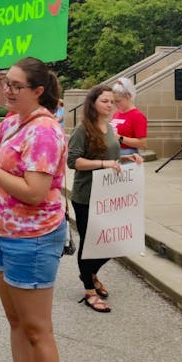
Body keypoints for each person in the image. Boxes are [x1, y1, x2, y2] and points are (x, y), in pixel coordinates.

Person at [0, 57, 67, 362]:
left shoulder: (44, 130)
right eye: (6, 83)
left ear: (38, 90)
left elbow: (35, 191)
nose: (8, 90)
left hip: (31, 239)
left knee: (37, 329)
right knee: (16, 321)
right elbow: (2, 166)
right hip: (1, 235)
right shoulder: (12, 123)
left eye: (16, 85)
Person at [68, 84, 143, 313]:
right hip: (86, 194)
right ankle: (89, 290)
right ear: (93, 103)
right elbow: (73, 161)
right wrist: (103, 164)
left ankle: (89, 273)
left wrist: (127, 158)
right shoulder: (83, 129)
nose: (110, 105)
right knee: (90, 245)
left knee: (114, 242)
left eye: (112, 101)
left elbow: (112, 157)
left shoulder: (109, 127)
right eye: (105, 101)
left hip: (108, 195)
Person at [110, 77, 148, 156]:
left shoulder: (137, 116)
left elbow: (142, 143)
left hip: (128, 155)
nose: (115, 104)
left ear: (128, 97)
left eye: (118, 101)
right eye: (114, 101)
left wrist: (119, 138)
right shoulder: (117, 113)